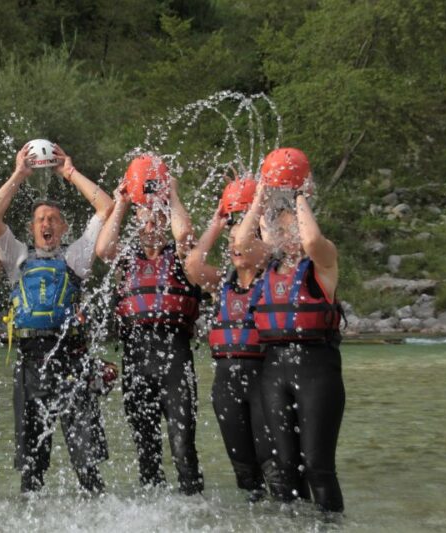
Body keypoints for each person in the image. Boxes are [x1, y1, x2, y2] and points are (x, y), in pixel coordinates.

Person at [0, 142, 114, 493]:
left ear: (64, 226)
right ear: (31, 228)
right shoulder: (17, 259)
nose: (46, 223)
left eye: (53, 219)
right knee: (32, 470)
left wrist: (68, 172)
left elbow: (106, 206)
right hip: (30, 365)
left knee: (86, 465)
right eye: (40, 219)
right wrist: (19, 174)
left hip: (72, 362)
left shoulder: (76, 257)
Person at [233, 148, 344, 513]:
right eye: (279, 228)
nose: (285, 233)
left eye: (290, 226)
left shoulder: (322, 262)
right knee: (286, 468)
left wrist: (297, 193)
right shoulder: (269, 263)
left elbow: (311, 241)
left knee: (317, 466)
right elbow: (240, 242)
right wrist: (262, 193)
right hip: (274, 368)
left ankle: (330, 524)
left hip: (317, 368)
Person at [95, 155, 204, 494]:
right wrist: (124, 203)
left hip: (175, 354)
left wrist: (171, 197)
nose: (151, 223)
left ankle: (193, 509)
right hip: (136, 356)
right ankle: (154, 509)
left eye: (157, 217)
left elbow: (185, 234)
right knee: (146, 448)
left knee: (182, 444)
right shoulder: (127, 257)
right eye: (146, 216)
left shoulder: (181, 256)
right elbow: (103, 249)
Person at [184, 176, 274, 501]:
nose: (236, 248)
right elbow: (193, 264)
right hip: (226, 384)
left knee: (274, 467)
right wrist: (219, 221)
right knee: (245, 472)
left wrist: (259, 203)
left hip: (264, 381)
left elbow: (252, 240)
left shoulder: (274, 276)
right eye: (232, 243)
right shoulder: (222, 283)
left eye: (244, 241)